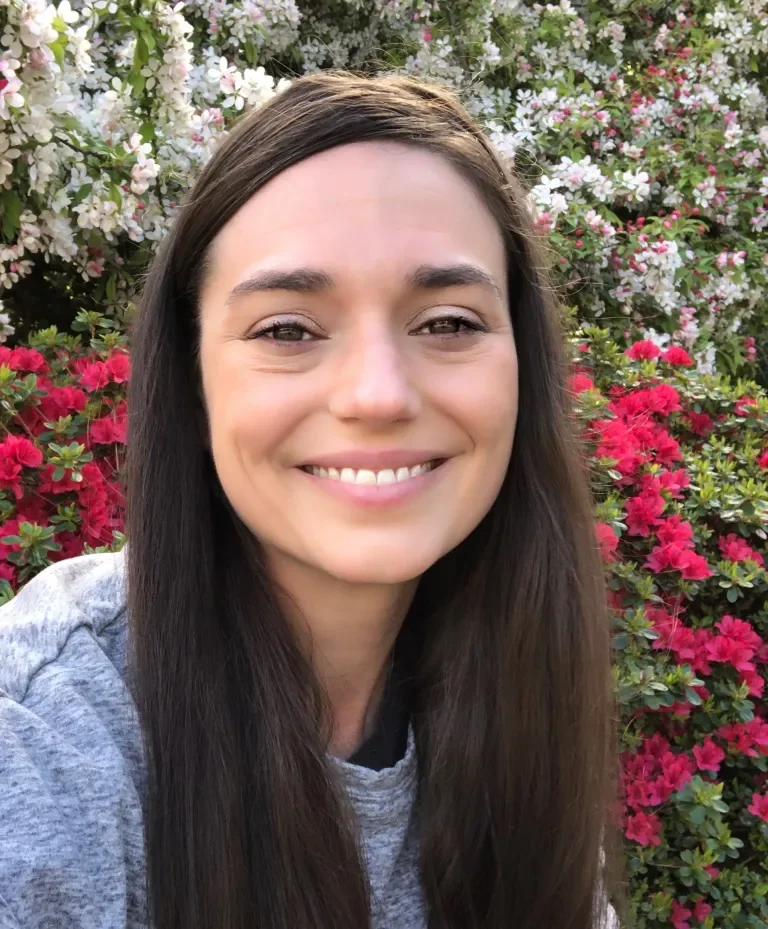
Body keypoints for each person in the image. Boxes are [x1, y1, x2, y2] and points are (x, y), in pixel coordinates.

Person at [0, 70, 628, 929]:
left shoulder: (513, 697)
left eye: (447, 322)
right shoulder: (39, 749)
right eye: (287, 329)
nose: (377, 394)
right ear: (191, 380)